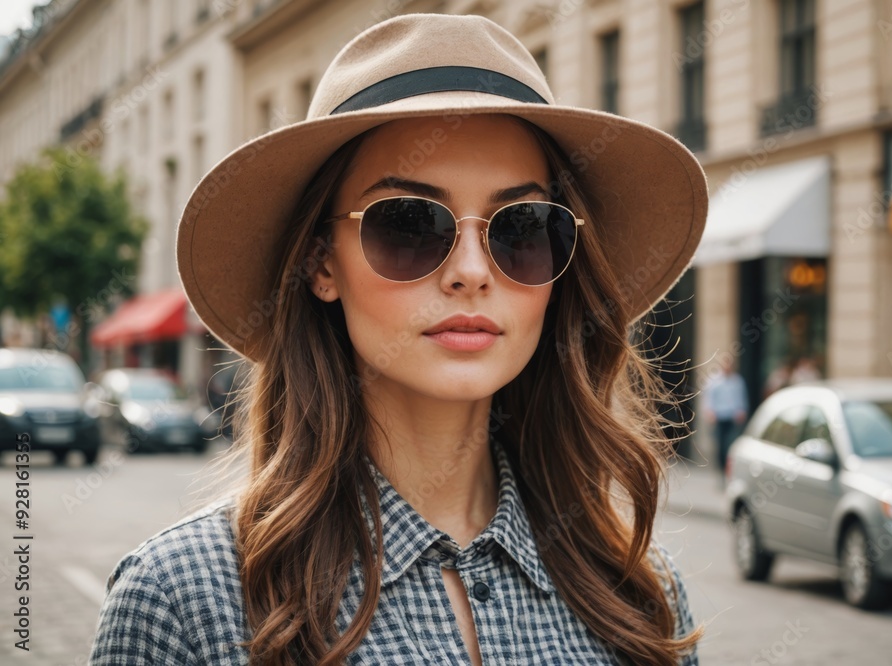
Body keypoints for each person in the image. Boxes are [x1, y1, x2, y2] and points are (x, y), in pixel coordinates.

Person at [89, 13, 708, 666]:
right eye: (410, 223)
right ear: (321, 263)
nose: (472, 272)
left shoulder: (641, 597)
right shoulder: (184, 601)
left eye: (521, 227)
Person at [703, 357, 748, 479]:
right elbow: (708, 399)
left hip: (732, 418)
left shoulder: (737, 381)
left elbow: (741, 399)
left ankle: (729, 471)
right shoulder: (714, 381)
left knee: (730, 445)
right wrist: (710, 413)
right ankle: (722, 470)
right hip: (719, 417)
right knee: (720, 446)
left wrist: (741, 411)